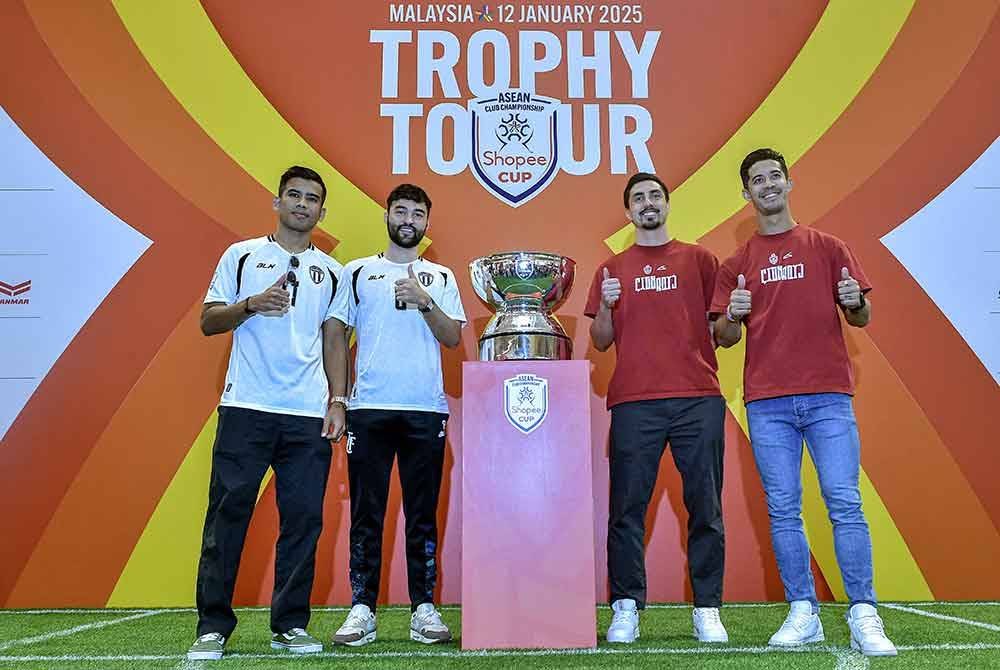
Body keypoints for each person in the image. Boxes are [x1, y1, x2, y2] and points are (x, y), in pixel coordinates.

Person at [711, 148, 896, 657]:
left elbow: (861, 316)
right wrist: (732, 313)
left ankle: (864, 613)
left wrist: (855, 300)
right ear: (746, 195)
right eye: (757, 180)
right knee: (784, 509)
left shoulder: (829, 247)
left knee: (844, 503)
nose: (767, 185)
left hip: (829, 397)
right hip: (767, 403)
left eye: (775, 176)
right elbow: (723, 337)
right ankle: (803, 612)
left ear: (789, 184)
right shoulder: (738, 263)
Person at [186, 166, 344, 661]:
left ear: (322, 212)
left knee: (302, 521)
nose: (302, 204)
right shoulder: (241, 256)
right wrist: (251, 304)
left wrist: (338, 401)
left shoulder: (333, 272)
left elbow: (335, 339)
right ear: (277, 203)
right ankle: (212, 626)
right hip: (245, 408)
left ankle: (290, 626)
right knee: (227, 515)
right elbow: (209, 321)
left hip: (306, 415)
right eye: (293, 195)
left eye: (311, 199)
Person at [585, 173, 728, 645]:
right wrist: (606, 307)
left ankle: (707, 609)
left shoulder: (701, 259)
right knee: (626, 510)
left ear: (667, 205)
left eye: (654, 197)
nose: (647, 204)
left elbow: (725, 334)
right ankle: (626, 608)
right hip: (634, 402)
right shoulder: (611, 270)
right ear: (628, 213)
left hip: (697, 399)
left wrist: (736, 316)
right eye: (638, 199)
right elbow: (601, 341)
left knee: (705, 507)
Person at [325, 183, 465, 646]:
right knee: (368, 514)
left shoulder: (441, 277)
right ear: (387, 215)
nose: (408, 218)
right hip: (369, 410)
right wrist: (340, 401)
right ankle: (362, 608)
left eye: (417, 213)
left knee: (422, 515)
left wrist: (425, 301)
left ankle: (423, 607)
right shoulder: (358, 272)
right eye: (400, 210)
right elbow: (337, 337)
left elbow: (451, 339)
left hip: (425, 410)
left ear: (427, 222)